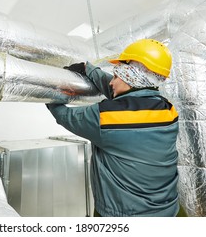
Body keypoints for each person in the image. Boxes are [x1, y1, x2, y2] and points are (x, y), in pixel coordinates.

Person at [46, 39, 179, 217]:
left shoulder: (106, 118)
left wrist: (46, 92)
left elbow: (63, 115)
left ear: (131, 78)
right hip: (167, 210)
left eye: (116, 76)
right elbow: (127, 98)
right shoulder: (168, 110)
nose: (111, 83)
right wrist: (88, 69)